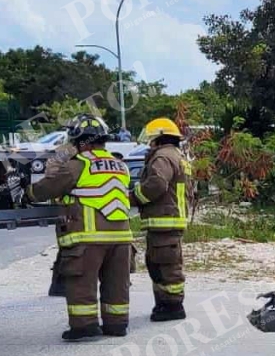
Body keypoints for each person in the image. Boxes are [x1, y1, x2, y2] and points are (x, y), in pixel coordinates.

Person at [26, 114, 131, 340]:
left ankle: (84, 326)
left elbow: (48, 188)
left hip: (89, 238)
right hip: (122, 239)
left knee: (81, 282)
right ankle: (117, 324)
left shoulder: (78, 164)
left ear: (80, 140)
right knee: (116, 284)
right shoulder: (121, 165)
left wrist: (28, 192)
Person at [133, 118, 192, 322]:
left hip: (164, 221)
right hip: (171, 220)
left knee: (166, 267)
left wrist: (134, 197)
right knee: (160, 263)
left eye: (151, 140)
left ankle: (172, 306)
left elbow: (157, 184)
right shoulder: (177, 156)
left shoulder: (162, 157)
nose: (149, 144)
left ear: (158, 138)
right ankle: (165, 304)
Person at [45, 139, 80, 297]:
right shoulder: (66, 151)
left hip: (77, 207)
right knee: (68, 245)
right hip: (66, 207)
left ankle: (60, 284)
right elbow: (52, 176)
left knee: (73, 245)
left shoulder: (84, 150)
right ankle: (59, 284)